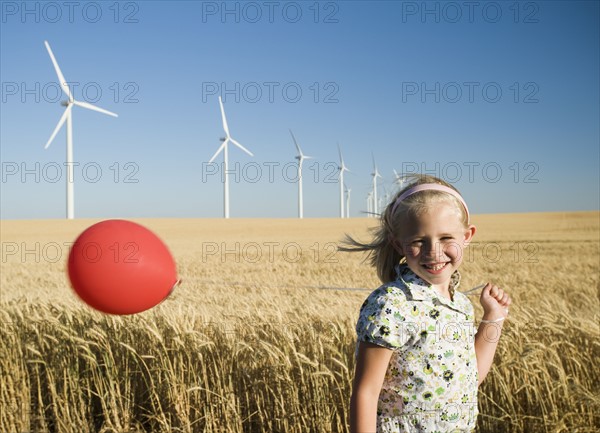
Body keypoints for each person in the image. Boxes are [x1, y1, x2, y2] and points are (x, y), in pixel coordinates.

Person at [343, 174, 511, 433]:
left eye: (446, 238)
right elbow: (366, 393)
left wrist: (493, 317)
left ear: (467, 236)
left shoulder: (461, 304)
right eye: (419, 241)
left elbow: (469, 377)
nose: (434, 251)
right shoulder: (391, 305)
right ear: (398, 244)